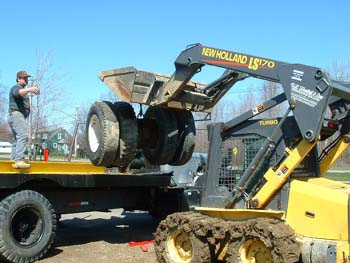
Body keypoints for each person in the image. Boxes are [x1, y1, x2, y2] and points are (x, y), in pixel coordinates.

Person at [8, 70, 40, 169]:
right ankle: (19, 160)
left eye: (27, 78)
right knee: (23, 134)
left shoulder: (23, 90)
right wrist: (30, 89)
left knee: (17, 139)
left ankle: (13, 159)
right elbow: (18, 93)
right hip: (16, 114)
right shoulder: (16, 87)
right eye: (24, 78)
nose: (26, 79)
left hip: (15, 115)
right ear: (18, 79)